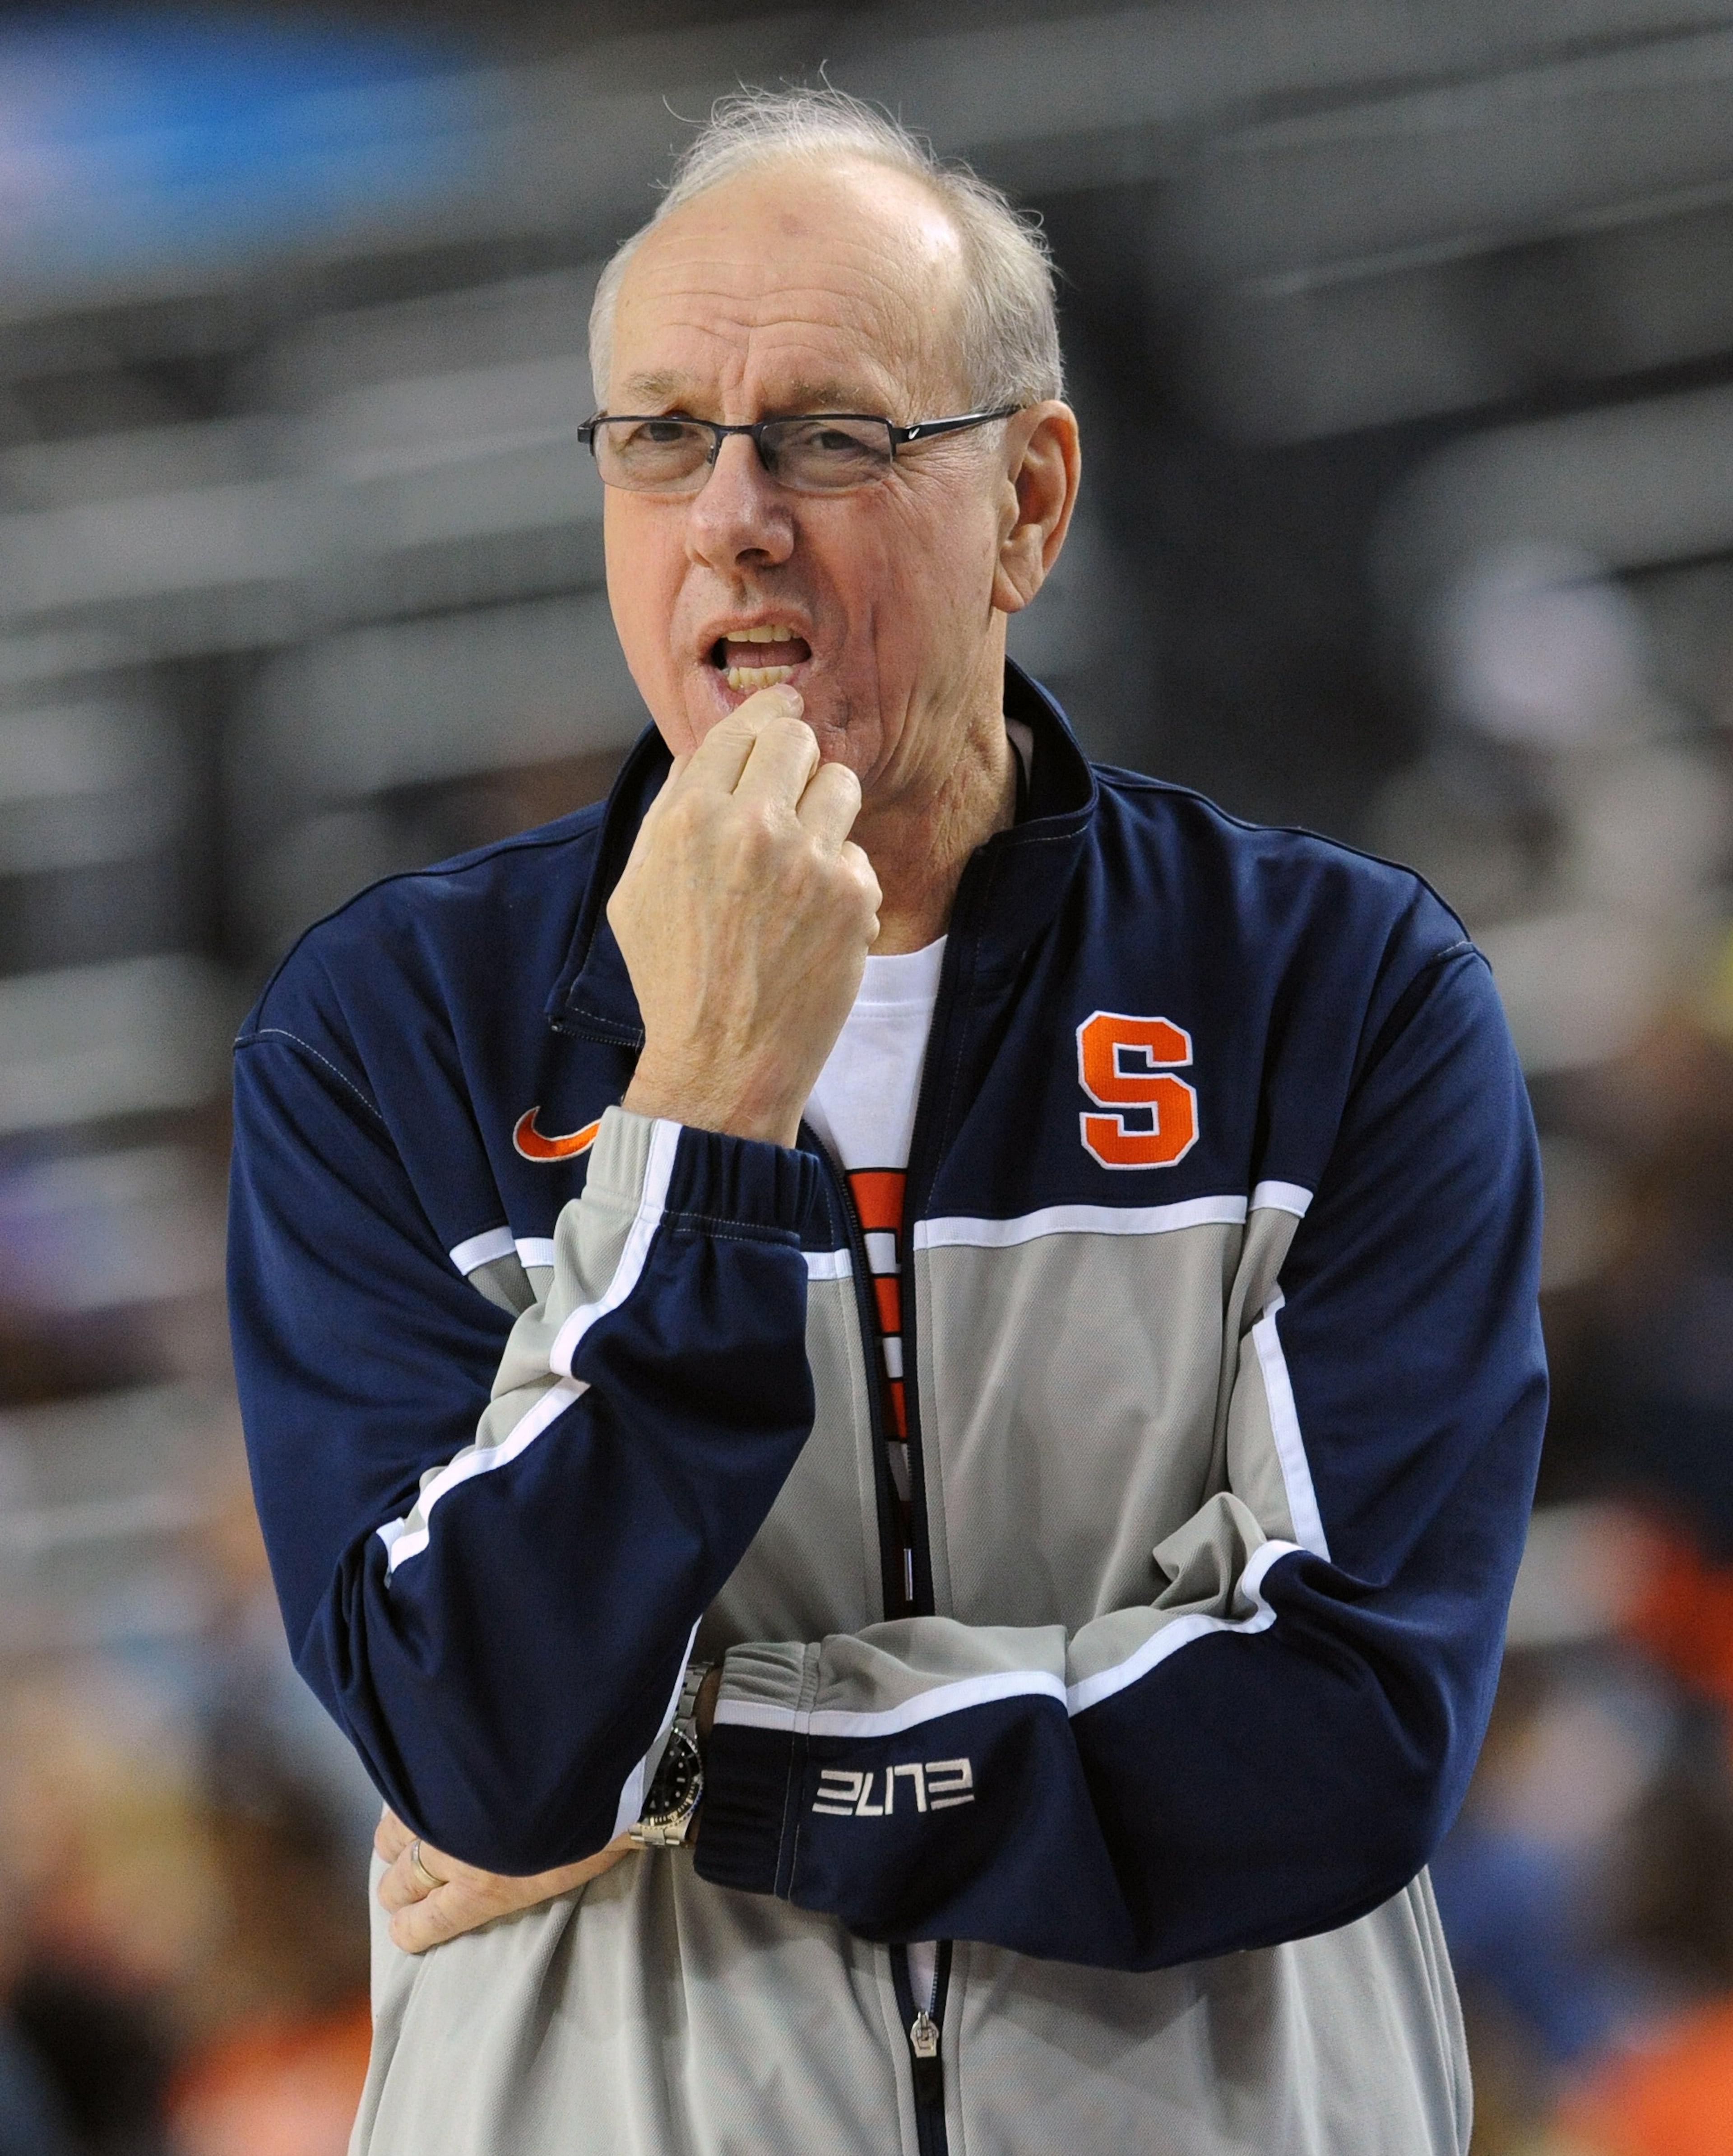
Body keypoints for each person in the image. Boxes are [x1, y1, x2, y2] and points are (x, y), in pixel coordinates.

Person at [227, 88, 1547, 2156]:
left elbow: (1338, 1733)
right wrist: (706, 1106)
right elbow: (480, 1742)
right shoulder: (382, 1038)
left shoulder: (1340, 994)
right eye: (659, 434)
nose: (730, 513)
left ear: (1030, 501)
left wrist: (700, 1765)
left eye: (830, 435)